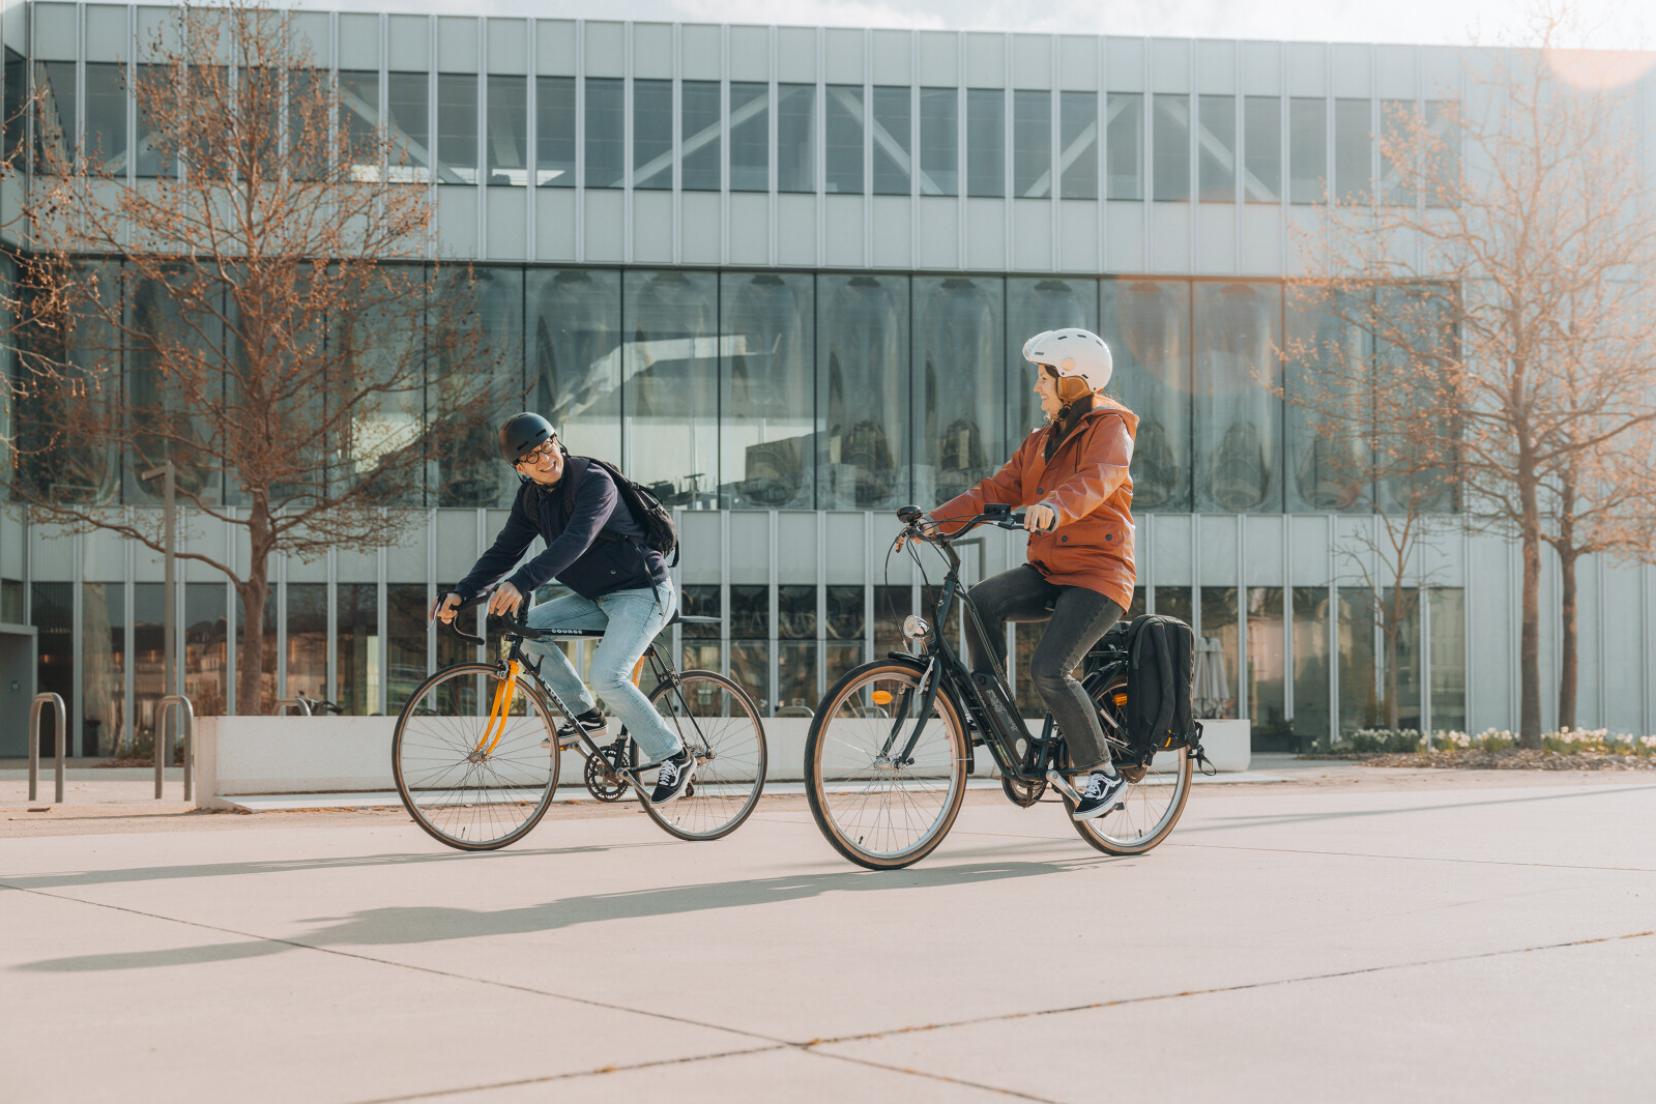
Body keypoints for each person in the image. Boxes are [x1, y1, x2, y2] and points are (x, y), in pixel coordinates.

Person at [926, 328, 1138, 820]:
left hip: (1098, 576)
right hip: (1049, 569)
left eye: (1044, 378)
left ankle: (1103, 773)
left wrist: (1055, 506)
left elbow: (1098, 478)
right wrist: (935, 522)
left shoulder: (1111, 428)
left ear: (1072, 380)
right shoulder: (1040, 441)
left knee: (1050, 669)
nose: (1036, 387)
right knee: (981, 601)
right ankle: (995, 714)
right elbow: (993, 491)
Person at [431, 413, 693, 805]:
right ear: (520, 468)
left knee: (608, 676)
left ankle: (674, 754)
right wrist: (463, 593)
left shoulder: (593, 481)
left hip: (644, 592)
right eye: (532, 456)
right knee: (530, 629)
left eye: (548, 445)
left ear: (558, 442)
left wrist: (522, 582)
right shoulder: (531, 500)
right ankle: (585, 715)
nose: (545, 458)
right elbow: (505, 551)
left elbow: (576, 540)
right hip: (598, 597)